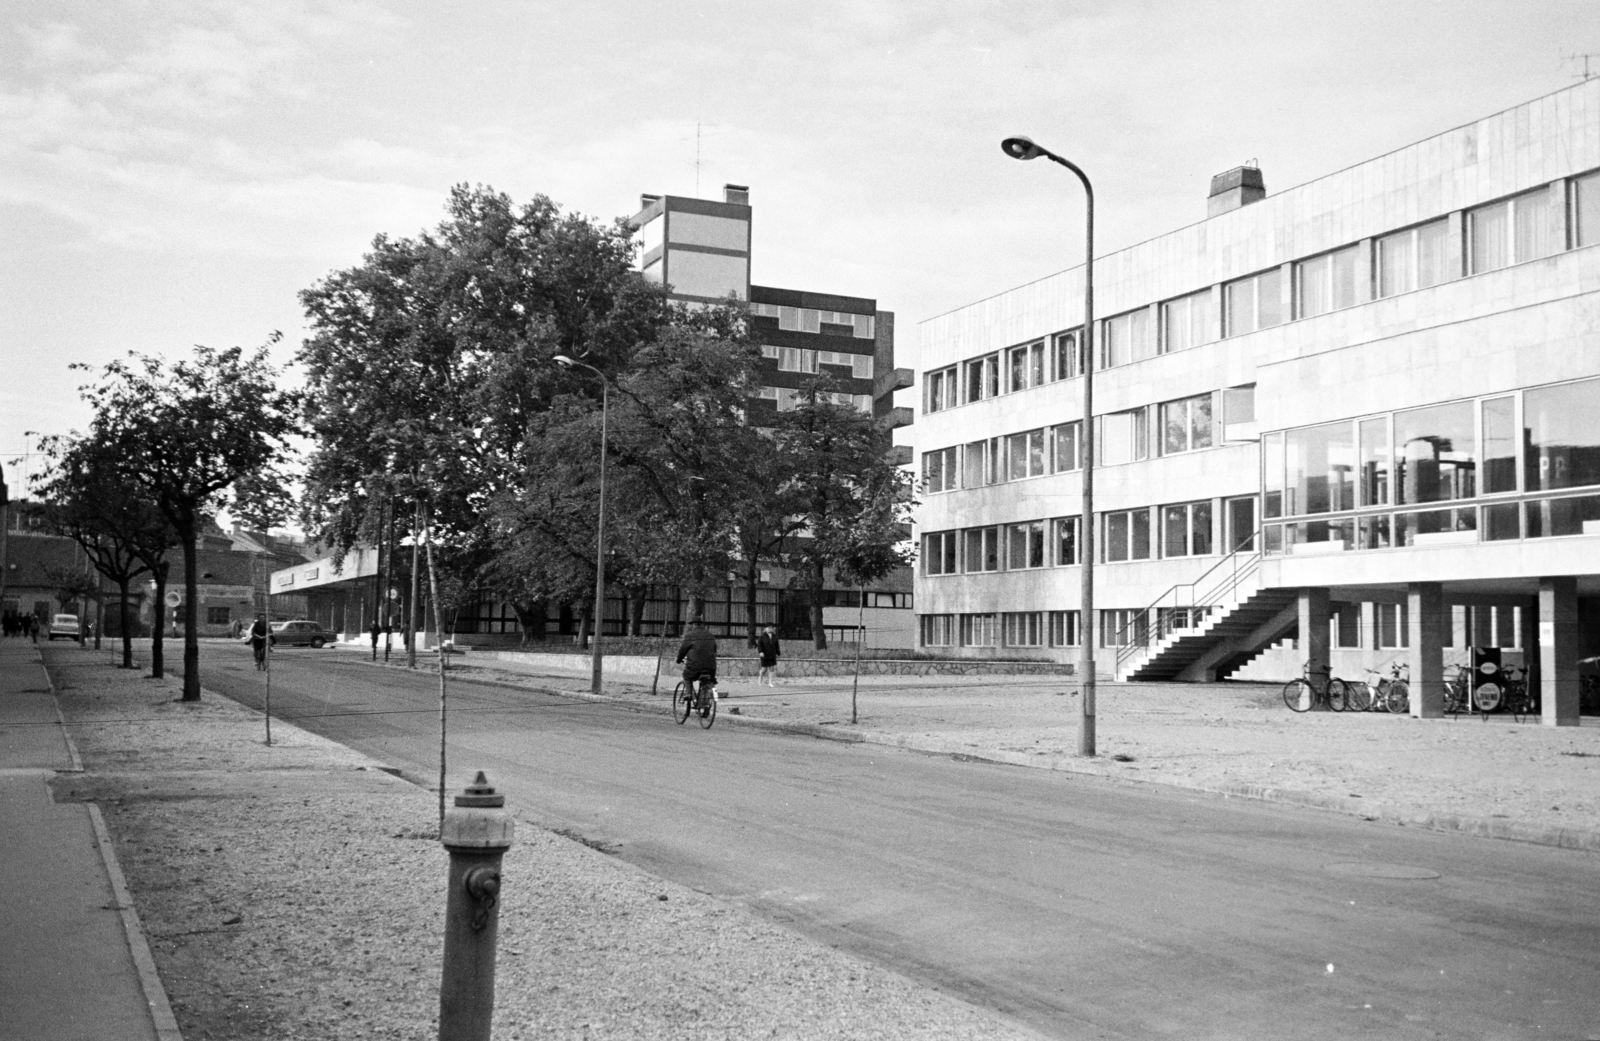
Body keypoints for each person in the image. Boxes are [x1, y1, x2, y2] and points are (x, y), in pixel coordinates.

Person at [675, 618, 721, 700]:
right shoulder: (710, 635)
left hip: (695, 667)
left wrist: (678, 660)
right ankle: (706, 702)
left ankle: (688, 694)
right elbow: (714, 650)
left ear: (693, 625)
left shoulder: (690, 635)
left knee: (686, 676)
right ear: (702, 624)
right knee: (708, 680)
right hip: (711, 667)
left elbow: (683, 650)